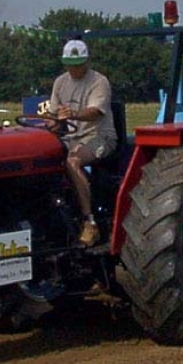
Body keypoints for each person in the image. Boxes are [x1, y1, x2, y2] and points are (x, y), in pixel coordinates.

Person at [48, 39, 117, 246]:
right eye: (70, 64)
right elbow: (53, 116)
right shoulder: (60, 83)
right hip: (71, 137)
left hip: (99, 136)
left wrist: (74, 114)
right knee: (48, 159)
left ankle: (89, 221)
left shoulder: (99, 81)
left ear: (86, 62)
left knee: (72, 161)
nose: (74, 69)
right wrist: (52, 124)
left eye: (78, 64)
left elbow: (95, 112)